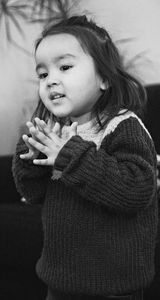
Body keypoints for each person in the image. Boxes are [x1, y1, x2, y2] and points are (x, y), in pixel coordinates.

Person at [12, 15, 158, 300]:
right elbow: (32, 193)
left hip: (114, 287)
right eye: (42, 74)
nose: (51, 80)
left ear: (104, 78)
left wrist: (69, 154)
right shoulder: (54, 130)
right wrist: (31, 161)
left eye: (65, 67)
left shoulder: (123, 126)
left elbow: (138, 190)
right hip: (60, 282)